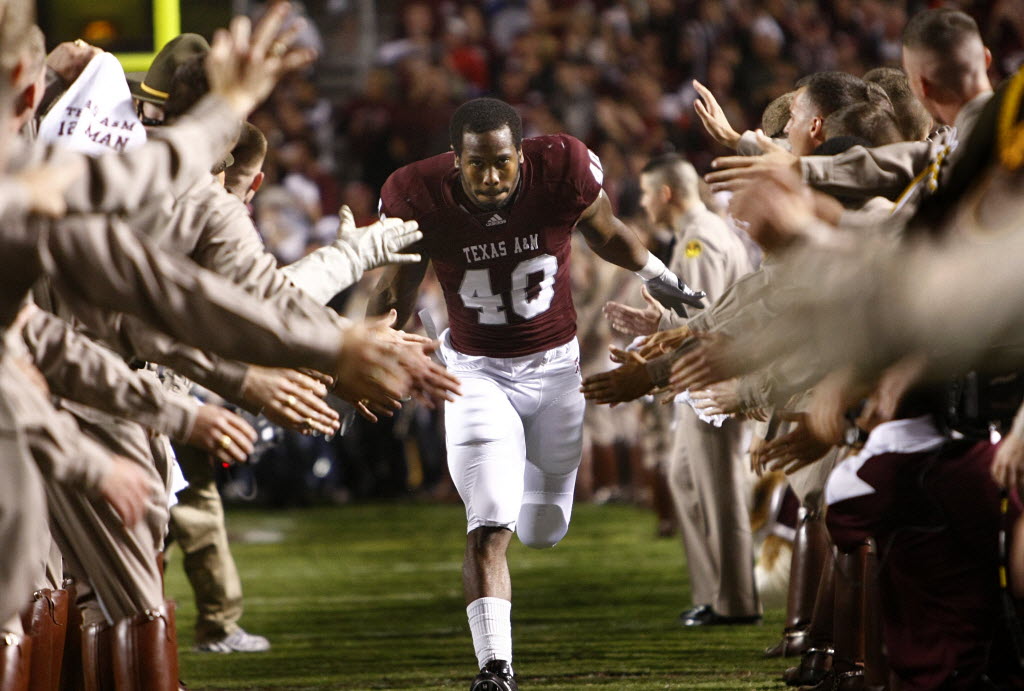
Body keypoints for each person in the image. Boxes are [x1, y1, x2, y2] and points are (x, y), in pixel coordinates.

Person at [369, 97, 704, 690]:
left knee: (544, 528)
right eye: (476, 165)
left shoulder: (563, 170)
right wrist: (366, 354)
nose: (491, 176)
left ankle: (525, 490)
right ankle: (495, 668)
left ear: (521, 155)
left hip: (555, 370)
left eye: (502, 162)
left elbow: (606, 232)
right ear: (455, 160)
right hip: (476, 373)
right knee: (488, 522)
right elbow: (396, 287)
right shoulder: (417, 195)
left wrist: (661, 277)